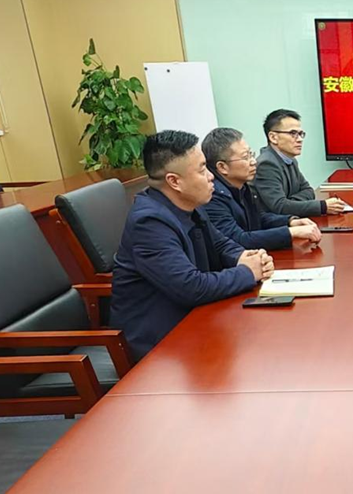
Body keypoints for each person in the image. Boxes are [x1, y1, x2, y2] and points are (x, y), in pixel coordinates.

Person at [111, 130, 273, 360]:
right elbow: (191, 287)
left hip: (194, 321)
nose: (211, 177)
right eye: (202, 170)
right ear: (174, 181)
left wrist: (246, 257)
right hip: (160, 345)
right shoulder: (149, 223)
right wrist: (248, 272)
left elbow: (220, 244)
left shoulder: (189, 204)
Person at [201, 127, 321, 251]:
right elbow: (239, 239)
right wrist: (290, 232)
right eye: (245, 157)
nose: (254, 161)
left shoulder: (242, 187)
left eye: (251, 154)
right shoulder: (212, 197)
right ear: (222, 167)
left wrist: (290, 221)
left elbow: (258, 218)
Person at [253, 109, 347, 218]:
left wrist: (290, 202)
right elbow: (279, 206)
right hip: (275, 225)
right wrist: (322, 206)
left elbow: (308, 190)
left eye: (301, 134)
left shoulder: (290, 160)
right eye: (293, 133)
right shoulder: (266, 164)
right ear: (273, 137)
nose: (300, 139)